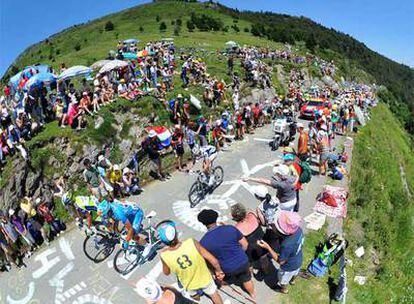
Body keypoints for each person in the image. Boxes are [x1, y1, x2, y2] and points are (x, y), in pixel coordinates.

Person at [158, 220, 224, 304]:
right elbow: (212, 260)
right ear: (176, 234)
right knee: (214, 295)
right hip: (205, 278)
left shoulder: (164, 255)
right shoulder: (191, 242)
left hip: (189, 284)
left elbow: (166, 272)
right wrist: (219, 271)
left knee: (195, 297)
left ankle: (198, 298)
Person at [198, 209, 256, 300]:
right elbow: (245, 244)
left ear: (203, 223)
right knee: (246, 279)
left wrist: (215, 272)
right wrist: (239, 255)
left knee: (226, 279)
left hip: (226, 269)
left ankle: (228, 282)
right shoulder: (230, 228)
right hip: (243, 262)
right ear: (215, 218)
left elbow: (209, 262)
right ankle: (252, 295)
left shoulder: (203, 242)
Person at [257, 210, 304, 294]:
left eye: (276, 225)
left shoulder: (286, 245)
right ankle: (293, 281)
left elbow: (281, 262)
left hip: (288, 267)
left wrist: (268, 247)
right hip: (299, 259)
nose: (273, 226)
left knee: (283, 280)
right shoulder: (298, 230)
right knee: (295, 273)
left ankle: (284, 290)